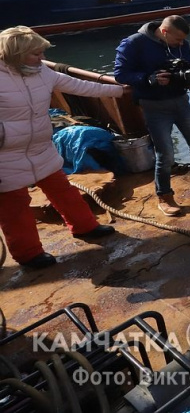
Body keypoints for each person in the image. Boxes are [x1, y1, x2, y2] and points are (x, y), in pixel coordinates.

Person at [0, 26, 125, 269]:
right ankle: (28, 254)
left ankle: (85, 226)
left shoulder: (42, 73)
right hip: (6, 155)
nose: (42, 59)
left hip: (40, 147)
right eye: (36, 54)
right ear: (16, 54)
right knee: (14, 207)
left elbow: (82, 86)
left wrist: (121, 90)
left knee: (63, 191)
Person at [114, 15, 190, 217]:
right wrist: (149, 79)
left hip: (181, 101)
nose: (181, 44)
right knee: (165, 154)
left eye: (183, 40)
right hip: (154, 106)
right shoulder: (133, 43)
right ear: (164, 32)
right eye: (177, 40)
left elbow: (188, 66)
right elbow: (121, 74)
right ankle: (164, 196)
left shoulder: (182, 43)